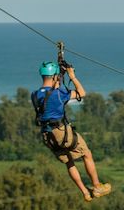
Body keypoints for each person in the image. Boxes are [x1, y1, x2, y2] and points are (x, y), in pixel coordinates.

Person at [32, 60, 111, 202]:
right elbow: (82, 93)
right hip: (62, 132)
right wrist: (72, 76)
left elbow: (50, 94)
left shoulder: (35, 95)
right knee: (86, 154)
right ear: (55, 77)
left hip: (47, 135)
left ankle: (85, 193)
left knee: (69, 162)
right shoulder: (59, 94)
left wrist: (59, 77)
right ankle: (96, 186)